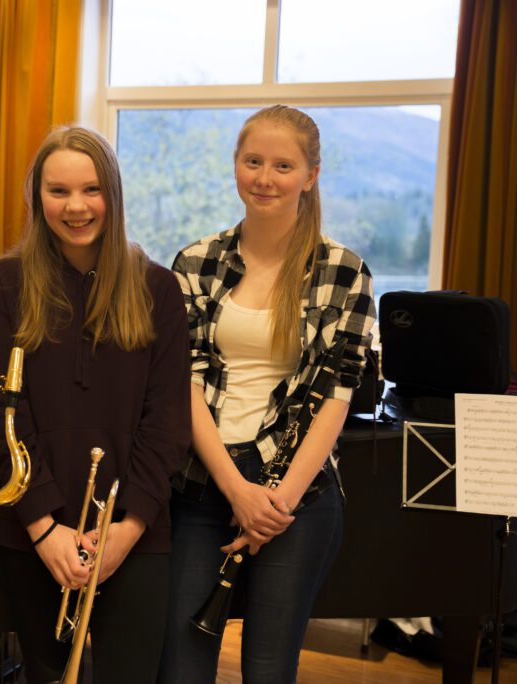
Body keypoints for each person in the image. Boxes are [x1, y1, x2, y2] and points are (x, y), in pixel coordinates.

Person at [158, 105, 376, 683]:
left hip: (296, 497)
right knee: (179, 665)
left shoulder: (345, 271)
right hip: (204, 482)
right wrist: (238, 492)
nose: (264, 177)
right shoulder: (195, 262)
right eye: (253, 161)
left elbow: (337, 396)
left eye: (283, 165)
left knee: (267, 668)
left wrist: (273, 505)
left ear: (310, 175)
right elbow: (185, 384)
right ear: (236, 165)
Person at [0, 126, 191, 684]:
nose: (75, 207)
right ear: (35, 196)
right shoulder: (4, 285)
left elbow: (166, 422)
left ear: (112, 195)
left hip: (135, 535)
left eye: (91, 190)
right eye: (57, 191)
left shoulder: (158, 289)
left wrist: (126, 528)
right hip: (31, 530)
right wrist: (45, 529)